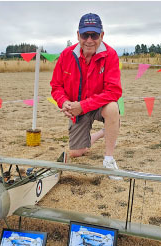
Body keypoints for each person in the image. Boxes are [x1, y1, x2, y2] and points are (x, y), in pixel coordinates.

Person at [50, 13, 122, 180]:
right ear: (78, 35)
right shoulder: (66, 55)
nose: (89, 40)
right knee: (76, 153)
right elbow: (56, 86)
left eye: (94, 35)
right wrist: (65, 102)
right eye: (85, 35)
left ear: (102, 35)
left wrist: (83, 106)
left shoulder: (110, 55)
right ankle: (105, 132)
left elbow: (114, 91)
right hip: (77, 108)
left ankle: (109, 160)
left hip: (99, 106)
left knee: (112, 108)